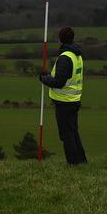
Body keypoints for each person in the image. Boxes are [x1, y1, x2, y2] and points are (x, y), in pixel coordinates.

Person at [38, 26, 88, 165]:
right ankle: (82, 161)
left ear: (61, 39)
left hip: (64, 102)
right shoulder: (77, 55)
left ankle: (73, 163)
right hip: (74, 100)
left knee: (67, 135)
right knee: (73, 132)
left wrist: (44, 79)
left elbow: (59, 82)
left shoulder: (65, 58)